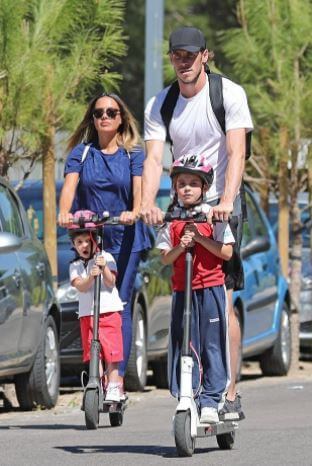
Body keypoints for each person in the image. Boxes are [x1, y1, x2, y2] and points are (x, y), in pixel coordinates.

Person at [141, 26, 253, 420]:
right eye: (177, 56)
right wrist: (148, 203)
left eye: (191, 55)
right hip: (182, 202)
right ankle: (189, 383)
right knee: (183, 295)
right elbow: (155, 159)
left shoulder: (229, 94)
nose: (184, 62)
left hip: (221, 204)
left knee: (221, 297)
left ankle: (228, 393)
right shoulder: (162, 103)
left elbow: (236, 151)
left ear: (205, 56)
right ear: (171, 58)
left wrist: (225, 201)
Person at [58, 92, 151, 396]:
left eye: (112, 112)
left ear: (121, 117)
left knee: (117, 305)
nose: (105, 117)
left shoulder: (132, 154)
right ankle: (95, 373)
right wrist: (64, 213)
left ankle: (116, 379)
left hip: (124, 239)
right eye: (99, 113)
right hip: (93, 236)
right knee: (91, 305)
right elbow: (69, 189)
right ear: (93, 119)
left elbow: (137, 192)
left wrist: (134, 212)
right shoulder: (81, 154)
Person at [156, 154, 234, 423]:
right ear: (175, 188)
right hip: (182, 291)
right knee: (184, 343)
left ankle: (211, 399)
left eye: (193, 183)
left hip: (210, 288)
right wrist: (181, 246)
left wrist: (200, 238)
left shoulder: (214, 216)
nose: (187, 188)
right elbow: (166, 257)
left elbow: (226, 252)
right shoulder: (172, 220)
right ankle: (186, 393)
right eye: (182, 183)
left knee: (212, 343)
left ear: (204, 188)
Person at [68, 211, 124, 401]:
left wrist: (104, 268)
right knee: (94, 351)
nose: (84, 245)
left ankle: (114, 385)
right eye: (79, 242)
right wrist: (91, 276)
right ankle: (97, 382)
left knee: (112, 351)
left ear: (95, 240)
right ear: (74, 245)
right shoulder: (75, 266)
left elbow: (111, 282)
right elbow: (81, 287)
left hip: (108, 312)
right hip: (87, 315)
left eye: (87, 240)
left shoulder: (105, 256)